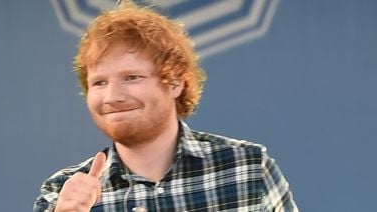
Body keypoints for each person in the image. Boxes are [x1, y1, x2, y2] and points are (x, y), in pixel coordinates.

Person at [34, 1, 298, 211]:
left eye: (132, 78)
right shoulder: (61, 193)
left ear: (175, 83)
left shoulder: (247, 169)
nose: (112, 96)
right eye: (100, 83)